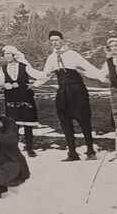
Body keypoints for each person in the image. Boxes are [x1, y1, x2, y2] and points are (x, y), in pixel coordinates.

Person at [35, 30, 106, 161]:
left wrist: (102, 77)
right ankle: (72, 153)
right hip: (63, 92)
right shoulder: (51, 58)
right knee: (65, 121)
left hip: (77, 90)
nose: (54, 43)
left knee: (84, 120)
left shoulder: (72, 54)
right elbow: (45, 75)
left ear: (62, 40)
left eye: (56, 40)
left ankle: (90, 151)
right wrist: (34, 84)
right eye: (52, 41)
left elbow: (88, 67)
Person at [0, 45, 46, 157]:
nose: (7, 56)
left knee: (28, 124)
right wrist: (3, 85)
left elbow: (40, 75)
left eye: (9, 54)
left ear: (14, 55)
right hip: (11, 98)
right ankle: (14, 149)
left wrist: (34, 84)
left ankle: (29, 148)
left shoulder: (24, 66)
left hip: (25, 97)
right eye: (5, 54)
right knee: (13, 124)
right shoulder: (3, 68)